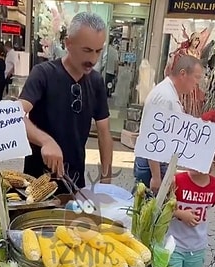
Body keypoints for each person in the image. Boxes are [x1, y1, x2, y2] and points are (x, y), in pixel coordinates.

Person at [18, 12, 114, 192]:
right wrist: (45, 141)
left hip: (75, 184)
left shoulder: (96, 81)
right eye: (87, 50)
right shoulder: (43, 74)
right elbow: (14, 115)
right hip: (36, 183)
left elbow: (104, 132)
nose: (93, 59)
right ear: (68, 43)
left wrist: (106, 179)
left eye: (98, 51)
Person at [133, 55, 204, 193]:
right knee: (146, 207)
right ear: (183, 73)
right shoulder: (165, 97)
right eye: (196, 77)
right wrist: (156, 176)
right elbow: (153, 137)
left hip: (159, 163)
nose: (197, 83)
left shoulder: (169, 93)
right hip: (154, 164)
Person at [167, 116, 215, 267]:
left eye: (202, 158)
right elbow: (161, 208)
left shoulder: (214, 185)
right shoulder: (177, 180)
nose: (195, 162)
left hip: (197, 248)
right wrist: (180, 213)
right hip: (174, 244)